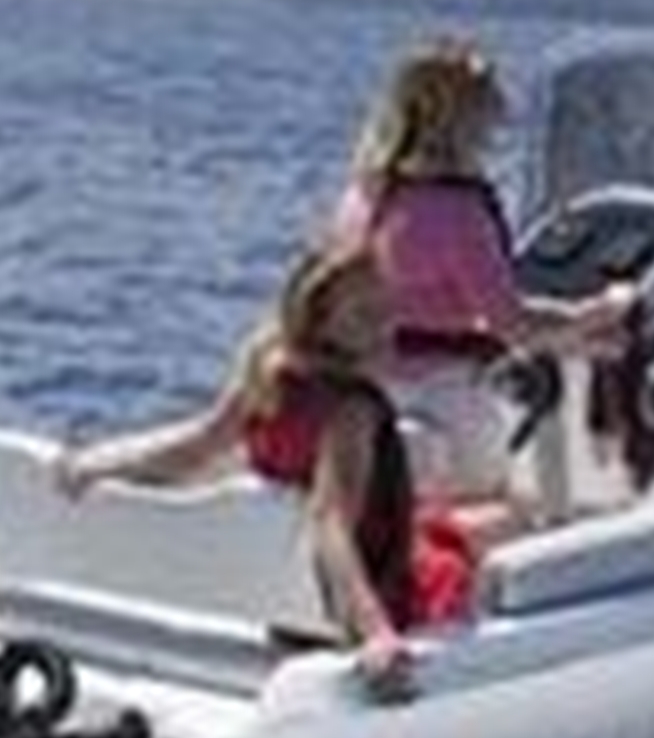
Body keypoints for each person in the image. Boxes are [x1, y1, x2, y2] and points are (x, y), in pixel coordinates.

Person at [55, 243, 521, 688]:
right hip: (370, 586)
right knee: (517, 526)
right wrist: (376, 632)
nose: (385, 326)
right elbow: (330, 524)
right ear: (321, 321)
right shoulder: (350, 411)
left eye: (387, 307)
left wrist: (99, 463)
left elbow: (196, 447)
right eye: (364, 315)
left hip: (286, 599)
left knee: (488, 520)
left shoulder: (268, 374)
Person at [330, 38, 633, 500]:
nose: (496, 129)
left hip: (365, 395)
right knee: (499, 504)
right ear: (465, 123)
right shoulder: (458, 212)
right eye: (489, 117)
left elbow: (420, 311)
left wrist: (578, 337)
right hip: (446, 403)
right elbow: (510, 323)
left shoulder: (362, 200)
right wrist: (602, 312)